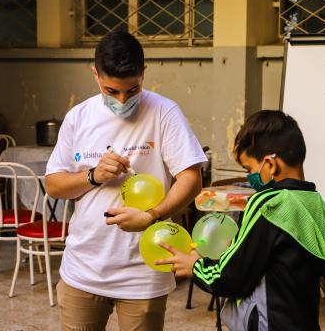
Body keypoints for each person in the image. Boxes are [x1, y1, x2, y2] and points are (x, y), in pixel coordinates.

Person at [45, 30, 207, 330]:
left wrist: (151, 215)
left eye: (132, 91)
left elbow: (191, 178)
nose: (122, 100)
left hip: (142, 273)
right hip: (83, 269)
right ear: (95, 75)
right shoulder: (78, 117)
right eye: (112, 91)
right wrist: (93, 176)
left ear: (143, 73)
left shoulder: (164, 112)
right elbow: (54, 184)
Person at [156, 110, 325, 331]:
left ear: (270, 164)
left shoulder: (268, 203)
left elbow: (231, 277)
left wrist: (195, 266)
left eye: (250, 169)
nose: (250, 177)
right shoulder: (315, 202)